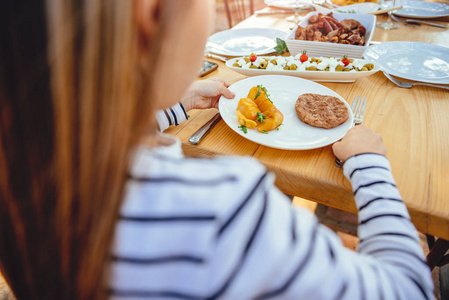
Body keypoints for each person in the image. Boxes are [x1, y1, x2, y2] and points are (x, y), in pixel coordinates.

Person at [0, 0, 434, 300]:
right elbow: (408, 289)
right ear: (153, 14)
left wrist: (172, 107)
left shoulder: (21, 168)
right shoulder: (222, 215)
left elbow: (88, 130)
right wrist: (369, 163)